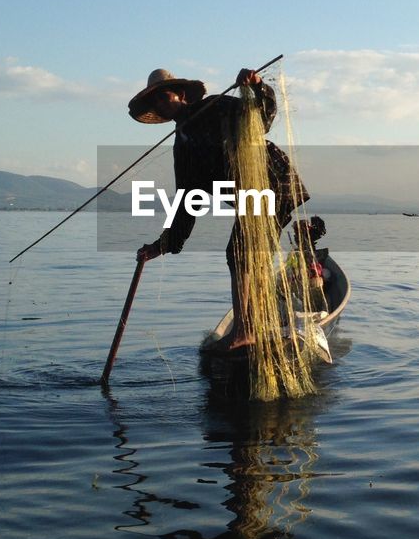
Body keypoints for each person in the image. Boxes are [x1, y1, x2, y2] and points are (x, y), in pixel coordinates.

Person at [129, 66, 308, 355]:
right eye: (155, 104)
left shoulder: (216, 106)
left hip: (274, 182)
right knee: (242, 252)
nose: (161, 105)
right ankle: (249, 328)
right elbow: (189, 199)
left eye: (164, 97)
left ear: (181, 95)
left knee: (238, 251)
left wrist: (256, 85)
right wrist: (162, 245)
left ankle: (245, 331)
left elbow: (261, 117)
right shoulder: (183, 145)